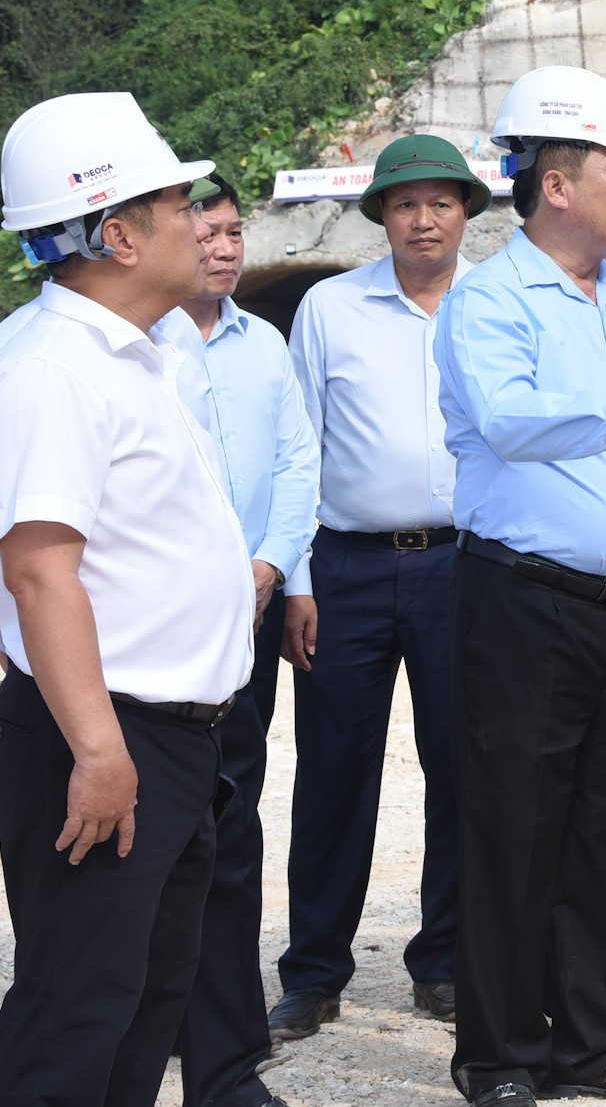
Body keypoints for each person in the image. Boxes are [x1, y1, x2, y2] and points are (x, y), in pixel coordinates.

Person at [437, 64, 606, 1105]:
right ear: (556, 183)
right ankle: (500, 1057)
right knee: (514, 832)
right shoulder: (490, 300)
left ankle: (587, 1045)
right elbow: (511, 422)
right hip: (524, 606)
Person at [0, 92, 254, 1106]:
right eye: (178, 203)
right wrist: (102, 752)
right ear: (116, 232)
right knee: (78, 1007)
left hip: (172, 741)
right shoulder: (54, 366)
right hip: (103, 737)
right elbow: (37, 570)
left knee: (147, 997)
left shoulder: (142, 355)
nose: (201, 223)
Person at [270, 134, 491, 1039]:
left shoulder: (497, 299)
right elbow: (298, 447)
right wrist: (299, 577)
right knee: (332, 774)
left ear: (466, 212)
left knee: (463, 767)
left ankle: (443, 960)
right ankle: (314, 970)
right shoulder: (330, 307)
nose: (425, 218)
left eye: (442, 202)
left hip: (468, 567)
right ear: (382, 217)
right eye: (406, 203)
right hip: (349, 568)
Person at [168, 179, 321, 1107]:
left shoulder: (264, 344)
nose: (225, 249)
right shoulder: (134, 347)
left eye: (235, 233)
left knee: (231, 819)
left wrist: (274, 569)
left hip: (248, 617)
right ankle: (146, 1012)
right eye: (208, 232)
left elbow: (299, 463)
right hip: (156, 629)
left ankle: (224, 1037)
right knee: (151, 833)